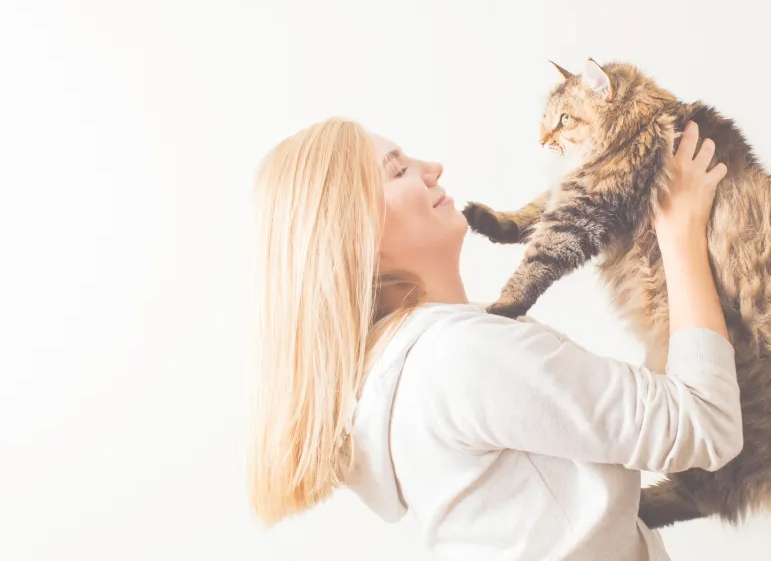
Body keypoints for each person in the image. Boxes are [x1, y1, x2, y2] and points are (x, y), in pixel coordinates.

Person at [247, 116, 741, 561]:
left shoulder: (404, 375)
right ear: (358, 236)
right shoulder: (458, 360)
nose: (432, 168)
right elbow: (705, 424)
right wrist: (680, 231)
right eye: (397, 171)